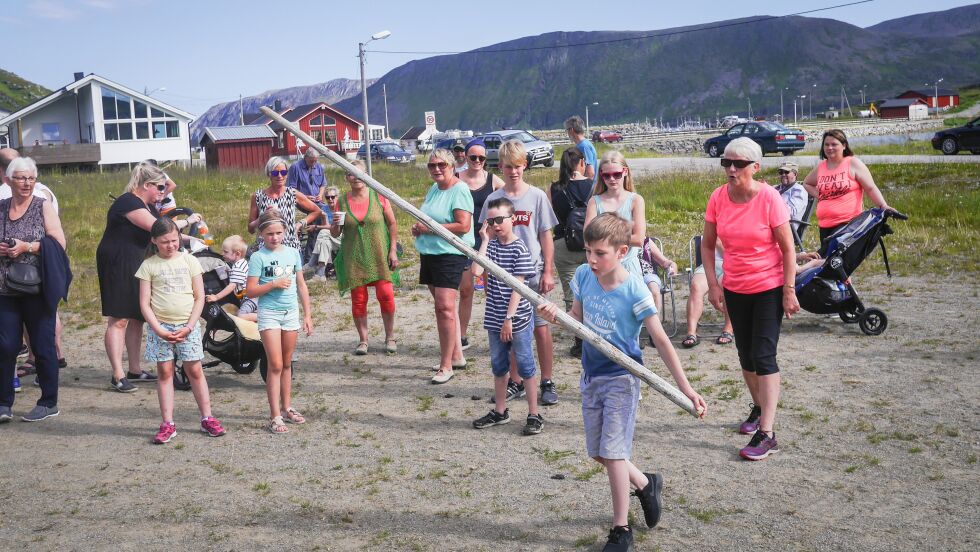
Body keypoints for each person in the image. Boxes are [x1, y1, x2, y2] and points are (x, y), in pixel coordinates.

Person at [538, 213, 706, 552]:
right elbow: (577, 322)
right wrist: (555, 319)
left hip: (621, 380)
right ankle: (646, 484)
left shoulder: (634, 290)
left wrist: (686, 388)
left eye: (600, 253)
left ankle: (620, 529)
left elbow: (660, 339)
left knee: (613, 454)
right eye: (588, 251)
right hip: (592, 377)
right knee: (600, 453)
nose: (591, 260)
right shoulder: (585, 276)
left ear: (622, 252)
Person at [702, 137, 799, 461]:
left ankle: (767, 434)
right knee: (745, 355)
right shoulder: (718, 197)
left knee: (763, 354)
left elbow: (788, 249)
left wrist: (789, 290)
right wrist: (714, 285)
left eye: (739, 164)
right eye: (726, 163)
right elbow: (707, 243)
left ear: (755, 167)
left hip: (769, 287)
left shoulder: (770, 198)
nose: (731, 169)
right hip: (735, 287)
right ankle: (758, 407)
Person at [478, 140, 559, 405]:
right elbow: (484, 237)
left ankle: (546, 380)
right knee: (510, 330)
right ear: (500, 166)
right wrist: (486, 275)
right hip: (502, 277)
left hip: (531, 272)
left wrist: (548, 270)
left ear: (525, 165)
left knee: (540, 327)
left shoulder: (536, 196)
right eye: (508, 167)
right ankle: (516, 381)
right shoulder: (493, 200)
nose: (513, 172)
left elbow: (546, 235)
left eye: (518, 166)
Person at [136, 217, 226, 444]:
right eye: (165, 241)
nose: (170, 245)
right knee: (165, 373)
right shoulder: (148, 266)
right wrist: (158, 329)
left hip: (188, 325)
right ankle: (167, 423)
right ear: (154, 241)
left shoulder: (190, 261)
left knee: (194, 370)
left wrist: (188, 326)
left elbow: (199, 298)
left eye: (174, 240)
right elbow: (144, 303)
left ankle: (207, 418)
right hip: (160, 328)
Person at [0, 156, 67, 423]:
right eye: (21, 178)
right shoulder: (1, 207)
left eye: (31, 178)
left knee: (42, 346)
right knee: (5, 347)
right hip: (4, 289)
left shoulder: (43, 206)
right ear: (8, 181)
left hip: (37, 288)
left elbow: (58, 242)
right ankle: (4, 402)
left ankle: (48, 401)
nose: (27, 183)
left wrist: (26, 246)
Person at [470, 198, 543, 435]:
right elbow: (476, 271)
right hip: (494, 316)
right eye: (491, 221)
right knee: (499, 364)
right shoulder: (490, 246)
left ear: (513, 219)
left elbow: (518, 288)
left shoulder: (520, 248)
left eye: (500, 219)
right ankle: (500, 411)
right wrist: (484, 240)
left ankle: (534, 413)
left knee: (525, 364)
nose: (496, 224)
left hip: (517, 317)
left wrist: (509, 318)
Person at [97, 161, 168, 392]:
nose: (163, 191)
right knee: (119, 318)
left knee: (137, 316)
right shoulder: (128, 202)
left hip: (138, 262)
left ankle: (135, 369)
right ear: (146, 184)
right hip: (118, 262)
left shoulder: (147, 203)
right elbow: (159, 228)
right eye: (159, 187)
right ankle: (117, 374)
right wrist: (188, 224)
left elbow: (161, 221)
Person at [246, 210, 314, 434]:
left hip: (290, 312)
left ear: (285, 232)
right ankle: (274, 415)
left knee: (287, 363)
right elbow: (251, 290)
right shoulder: (258, 257)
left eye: (278, 233)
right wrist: (273, 284)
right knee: (274, 364)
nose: (274, 237)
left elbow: (301, 285)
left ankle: (287, 407)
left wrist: (308, 315)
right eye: (269, 234)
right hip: (269, 314)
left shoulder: (293, 253)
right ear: (261, 234)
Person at [412, 148, 474, 384]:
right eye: (432, 165)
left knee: (445, 308)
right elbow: (429, 219)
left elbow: (463, 225)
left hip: (450, 254)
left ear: (452, 166)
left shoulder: (459, 189)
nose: (436, 169)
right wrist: (419, 228)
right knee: (442, 308)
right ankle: (456, 355)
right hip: (430, 252)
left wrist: (430, 228)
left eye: (441, 165)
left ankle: (445, 365)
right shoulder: (433, 189)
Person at [331, 159, 400, 356]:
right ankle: (363, 340)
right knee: (359, 299)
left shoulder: (379, 196)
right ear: (347, 178)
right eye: (351, 173)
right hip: (354, 256)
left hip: (379, 254)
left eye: (359, 173)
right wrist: (335, 224)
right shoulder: (342, 201)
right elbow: (335, 233)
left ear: (366, 175)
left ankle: (390, 336)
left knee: (386, 295)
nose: (356, 177)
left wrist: (393, 249)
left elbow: (392, 224)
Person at [801, 129, 895, 256]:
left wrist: (883, 206)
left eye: (834, 144)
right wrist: (822, 196)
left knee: (826, 261)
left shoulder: (853, 163)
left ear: (844, 145)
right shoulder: (821, 166)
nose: (829, 148)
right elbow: (807, 183)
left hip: (848, 224)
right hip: (825, 224)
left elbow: (870, 188)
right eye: (826, 144)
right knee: (836, 266)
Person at [456, 140, 504, 350]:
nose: (477, 161)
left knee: (493, 290)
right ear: (465, 157)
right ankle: (461, 335)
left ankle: (502, 331)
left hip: (488, 240)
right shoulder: (456, 179)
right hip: (463, 240)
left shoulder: (493, 180)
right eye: (473, 157)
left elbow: (512, 194)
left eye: (481, 158)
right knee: (466, 290)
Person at [548, 147, 592, 357]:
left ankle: (579, 340)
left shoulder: (554, 188)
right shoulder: (593, 187)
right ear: (581, 162)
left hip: (563, 244)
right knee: (594, 291)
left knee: (570, 294)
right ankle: (595, 335)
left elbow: (550, 218)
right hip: (590, 245)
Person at [585, 151, 646, 281]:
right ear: (601, 175)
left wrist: (603, 239)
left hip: (629, 267)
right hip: (602, 268)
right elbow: (587, 237)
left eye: (616, 174)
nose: (612, 179)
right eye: (607, 175)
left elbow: (639, 239)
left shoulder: (636, 200)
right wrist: (621, 238)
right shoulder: (594, 202)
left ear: (625, 172)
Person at [247, 156, 322, 257]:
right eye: (275, 173)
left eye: (283, 172)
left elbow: (317, 211)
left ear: (287, 174)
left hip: (290, 247)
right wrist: (262, 218)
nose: (279, 176)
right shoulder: (258, 196)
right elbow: (250, 229)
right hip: (266, 250)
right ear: (269, 174)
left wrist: (300, 224)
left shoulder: (292, 193)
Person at [682, 241, 733, 348]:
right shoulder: (713, 225)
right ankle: (691, 332)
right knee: (696, 286)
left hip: (731, 265)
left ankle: (728, 329)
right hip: (709, 265)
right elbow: (711, 242)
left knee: (728, 284)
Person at [286, 149, 328, 263]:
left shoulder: (318, 166)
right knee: (318, 218)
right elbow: (291, 189)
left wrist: (320, 194)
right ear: (305, 158)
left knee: (327, 214)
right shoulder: (295, 167)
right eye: (311, 161)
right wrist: (305, 197)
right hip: (301, 201)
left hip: (317, 201)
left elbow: (323, 184)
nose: (313, 164)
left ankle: (320, 253)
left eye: (315, 161)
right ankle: (310, 258)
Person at [204, 235, 257, 322]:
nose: (222, 254)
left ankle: (266, 317)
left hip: (251, 299)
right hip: (255, 297)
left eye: (226, 252)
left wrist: (216, 297)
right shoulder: (242, 262)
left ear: (237, 254)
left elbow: (232, 286)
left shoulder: (237, 268)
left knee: (241, 316)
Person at [309, 185, 341, 281]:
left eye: (333, 197)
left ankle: (312, 263)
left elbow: (334, 228)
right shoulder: (325, 208)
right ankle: (320, 274)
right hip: (330, 238)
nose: (330, 199)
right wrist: (324, 217)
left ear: (337, 197)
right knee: (324, 242)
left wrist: (316, 227)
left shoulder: (341, 208)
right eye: (327, 197)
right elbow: (327, 226)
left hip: (342, 236)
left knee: (323, 232)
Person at [564, 115, 597, 180]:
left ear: (571, 130)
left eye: (567, 130)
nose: (567, 133)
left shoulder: (584, 146)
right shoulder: (582, 145)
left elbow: (590, 172)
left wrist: (581, 186)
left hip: (588, 187)